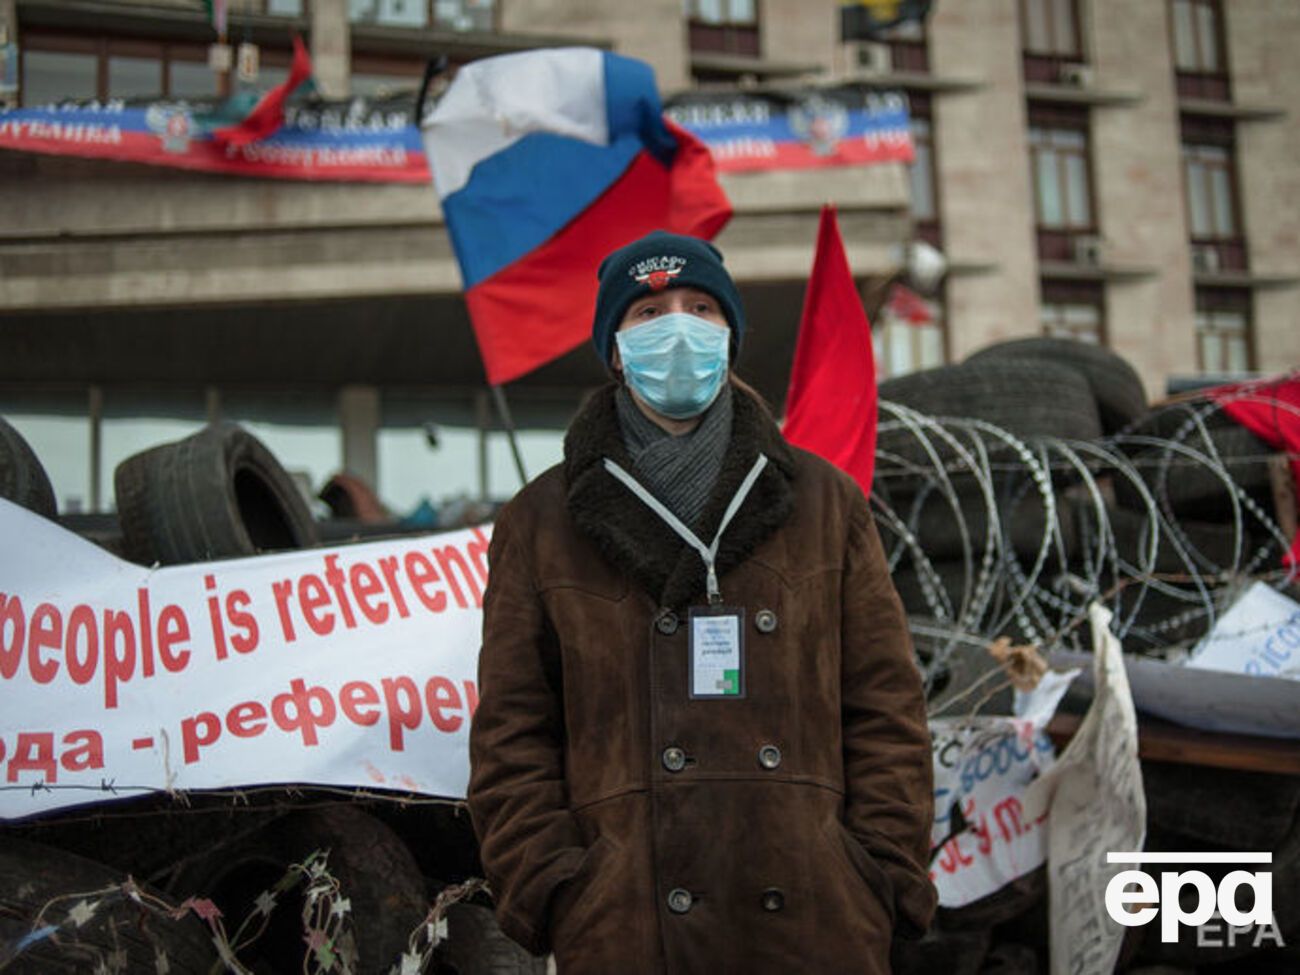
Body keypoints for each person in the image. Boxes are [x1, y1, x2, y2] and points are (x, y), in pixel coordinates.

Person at [467, 230, 936, 974]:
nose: (677, 329)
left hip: (816, 922)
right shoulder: (541, 520)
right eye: (648, 314)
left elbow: (885, 708)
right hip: (626, 929)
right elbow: (512, 734)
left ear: (730, 337)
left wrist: (876, 872)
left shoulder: (823, 501)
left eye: (700, 307)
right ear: (616, 348)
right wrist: (557, 888)